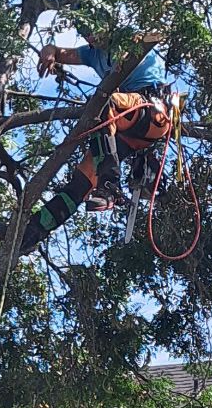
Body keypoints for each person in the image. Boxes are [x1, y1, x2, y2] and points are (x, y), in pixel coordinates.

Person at [13, 32, 171, 255]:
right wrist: (49, 51)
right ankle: (28, 235)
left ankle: (109, 185)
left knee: (102, 103)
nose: (92, 39)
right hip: (124, 129)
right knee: (82, 179)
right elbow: (60, 52)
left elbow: (142, 38)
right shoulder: (91, 53)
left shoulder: (128, 36)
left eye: (95, 32)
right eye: (86, 34)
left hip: (151, 110)